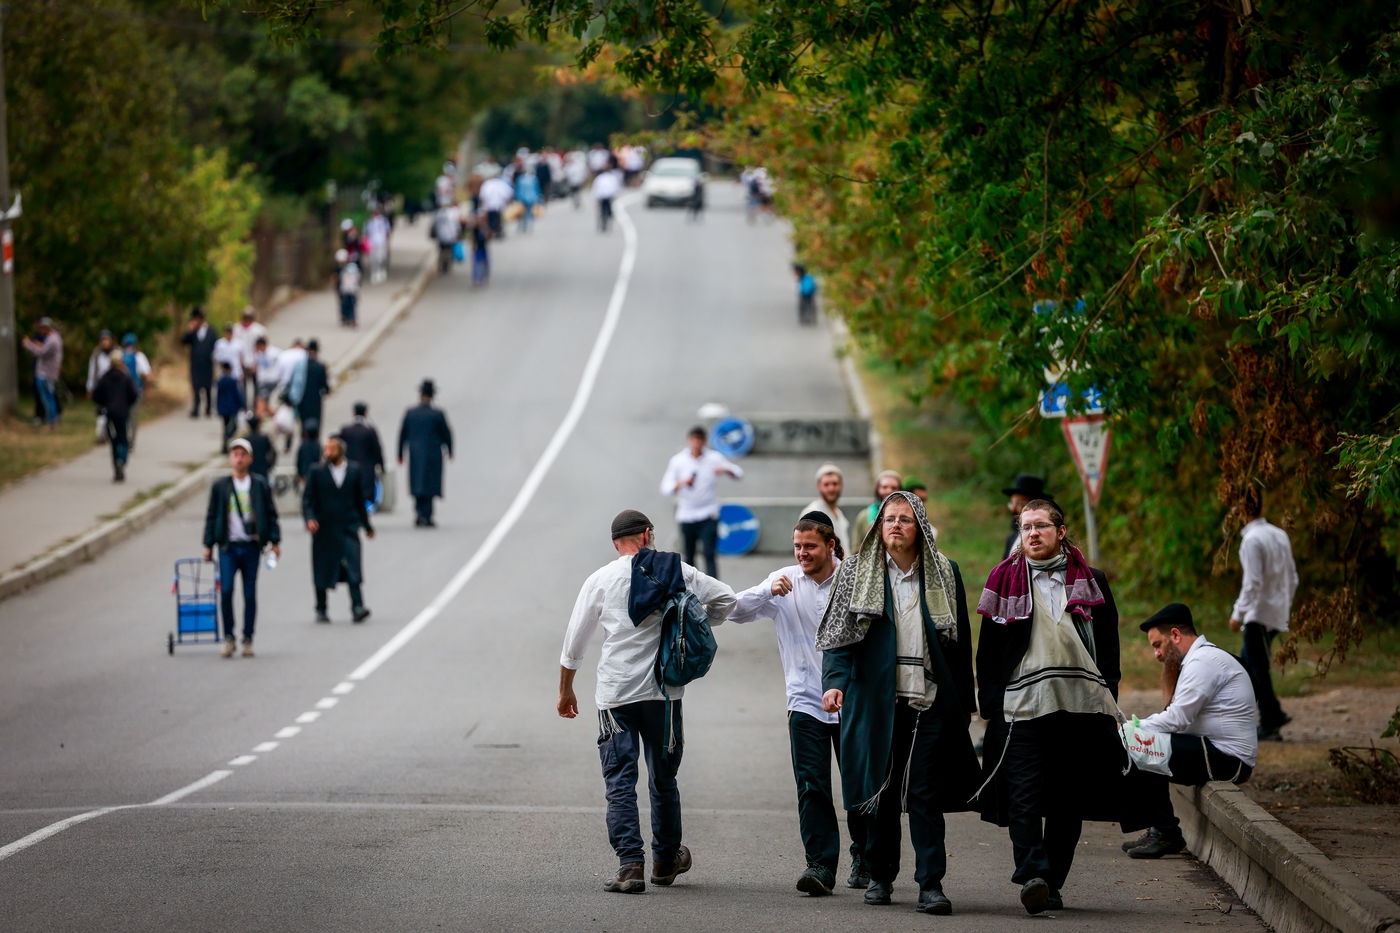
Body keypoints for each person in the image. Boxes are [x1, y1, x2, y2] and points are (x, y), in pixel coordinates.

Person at [815, 491, 980, 915]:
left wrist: (965, 703)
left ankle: (931, 884)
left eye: (905, 519)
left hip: (929, 702)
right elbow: (838, 640)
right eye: (889, 518)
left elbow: (960, 644)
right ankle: (881, 876)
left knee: (924, 794)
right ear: (878, 525)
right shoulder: (856, 571)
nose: (896, 526)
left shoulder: (944, 572)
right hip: (876, 703)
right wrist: (834, 684)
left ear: (920, 527)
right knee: (882, 792)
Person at [558, 509, 736, 894]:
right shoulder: (677, 571)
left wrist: (565, 690)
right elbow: (726, 599)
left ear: (615, 543)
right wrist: (695, 619)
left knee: (620, 782)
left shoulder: (601, 579)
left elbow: (574, 642)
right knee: (663, 779)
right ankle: (665, 860)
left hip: (616, 696)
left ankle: (630, 867)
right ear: (648, 534)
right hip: (664, 694)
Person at [974, 498, 1134, 915]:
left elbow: (1110, 646)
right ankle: (1032, 875)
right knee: (1023, 796)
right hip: (1024, 707)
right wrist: (990, 705)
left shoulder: (1091, 580)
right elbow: (988, 651)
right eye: (1026, 528)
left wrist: (1109, 695)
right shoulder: (1003, 579)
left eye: (1041, 526)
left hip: (1079, 707)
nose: (1033, 534)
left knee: (1067, 800)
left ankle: (1053, 884)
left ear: (1060, 531)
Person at [730, 512, 868, 896]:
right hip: (805, 701)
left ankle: (866, 856)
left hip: (853, 702)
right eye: (797, 547)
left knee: (860, 786)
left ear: (830, 545)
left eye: (810, 546)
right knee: (812, 787)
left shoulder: (854, 580)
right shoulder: (785, 581)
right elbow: (732, 611)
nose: (802, 553)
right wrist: (766, 591)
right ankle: (820, 865)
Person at [1121, 603, 1258, 859]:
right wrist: (1133, 729)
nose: (1157, 654)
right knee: (1141, 744)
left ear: (1175, 635)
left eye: (1157, 645)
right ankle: (1159, 828)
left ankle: (1166, 833)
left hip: (1229, 760)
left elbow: (1177, 719)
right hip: (1213, 750)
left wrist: (1129, 728)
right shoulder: (1197, 659)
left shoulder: (1203, 662)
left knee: (1138, 745)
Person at [1229, 488, 1298, 741]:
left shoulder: (1252, 540)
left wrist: (1238, 613)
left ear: (1241, 510)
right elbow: (1292, 577)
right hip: (1276, 612)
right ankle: (1268, 716)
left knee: (1255, 668)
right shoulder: (1279, 534)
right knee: (1249, 665)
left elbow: (1253, 582)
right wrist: (1284, 608)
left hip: (1257, 614)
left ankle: (1271, 718)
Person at [203, 438, 281, 658]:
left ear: (250, 459)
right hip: (228, 547)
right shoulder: (221, 486)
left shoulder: (259, 485)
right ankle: (229, 638)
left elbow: (271, 514)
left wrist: (275, 541)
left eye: (242, 454)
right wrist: (208, 544)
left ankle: (247, 638)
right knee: (226, 591)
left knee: (249, 593)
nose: (238, 458)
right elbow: (212, 516)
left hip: (251, 547)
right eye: (235, 454)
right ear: (230, 458)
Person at [302, 434, 373, 624]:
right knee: (322, 568)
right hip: (324, 529)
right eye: (326, 449)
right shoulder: (317, 471)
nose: (327, 452)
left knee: (353, 566)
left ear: (341, 451)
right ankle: (321, 607)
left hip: (348, 527)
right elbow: (308, 499)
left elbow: (360, 502)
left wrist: (367, 526)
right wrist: (310, 518)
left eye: (331, 449)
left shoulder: (354, 471)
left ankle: (357, 606)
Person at [658, 426, 743, 578]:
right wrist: (681, 483)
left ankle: (715, 590)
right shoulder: (678, 461)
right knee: (689, 556)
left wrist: (725, 470)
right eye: (694, 440)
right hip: (687, 514)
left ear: (704, 441)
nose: (696, 444)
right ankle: (691, 591)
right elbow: (665, 487)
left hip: (708, 513)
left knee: (709, 554)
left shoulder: (713, 458)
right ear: (689, 441)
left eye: (700, 440)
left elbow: (737, 473)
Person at [397, 379, 454, 528]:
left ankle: (419, 513)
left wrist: (400, 454)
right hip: (434, 453)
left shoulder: (411, 413)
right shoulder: (437, 414)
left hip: (415, 453)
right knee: (430, 484)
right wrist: (450, 449)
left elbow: (402, 434)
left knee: (417, 483)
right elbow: (446, 433)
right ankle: (427, 515)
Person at [91, 352, 139, 482]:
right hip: (123, 413)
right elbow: (134, 395)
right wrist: (127, 405)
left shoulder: (105, 378)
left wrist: (104, 403)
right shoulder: (126, 377)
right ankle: (121, 460)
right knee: (123, 439)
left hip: (109, 413)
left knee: (113, 441)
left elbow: (96, 395)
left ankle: (116, 463)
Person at [340, 401, 386, 508]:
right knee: (365, 494)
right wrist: (381, 466)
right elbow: (377, 450)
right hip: (367, 468)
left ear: (353, 413)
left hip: (349, 467)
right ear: (366, 413)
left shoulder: (346, 430)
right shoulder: (370, 431)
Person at [21, 317, 63, 429]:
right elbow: (45, 350)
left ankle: (52, 422)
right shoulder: (54, 337)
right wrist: (38, 345)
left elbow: (41, 353)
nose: (40, 331)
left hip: (46, 373)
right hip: (48, 373)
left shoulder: (52, 339)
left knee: (48, 398)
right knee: (49, 397)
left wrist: (28, 344)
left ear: (46, 327)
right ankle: (53, 421)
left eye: (41, 328)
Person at [801, 463, 850, 554]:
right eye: (826, 484)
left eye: (835, 484)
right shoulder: (812, 512)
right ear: (819, 486)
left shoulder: (839, 513)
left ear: (841, 485)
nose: (831, 488)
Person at [1000, 474, 1051, 559]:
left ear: (1036, 506)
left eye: (1019, 504)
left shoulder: (1045, 541)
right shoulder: (1012, 538)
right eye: (1012, 504)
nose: (1013, 509)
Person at [849, 470, 902, 552]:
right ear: (877, 489)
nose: (889, 491)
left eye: (893, 488)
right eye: (884, 487)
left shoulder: (906, 517)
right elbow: (854, 549)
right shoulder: (864, 516)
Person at [118, 333, 152, 450]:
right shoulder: (139, 356)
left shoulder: (119, 356)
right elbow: (147, 375)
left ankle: (122, 440)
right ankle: (131, 442)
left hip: (121, 393)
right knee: (133, 418)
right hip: (135, 392)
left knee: (123, 417)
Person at [181, 307, 218, 418]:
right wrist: (190, 330)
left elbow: (215, 346)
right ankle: (196, 408)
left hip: (207, 363)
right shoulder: (193, 332)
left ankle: (208, 408)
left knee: (207, 387)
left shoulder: (211, 331)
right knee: (196, 386)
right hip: (196, 363)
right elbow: (183, 341)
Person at [233, 308, 268, 402]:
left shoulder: (259, 330)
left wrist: (256, 362)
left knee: (256, 386)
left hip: (255, 362)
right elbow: (235, 348)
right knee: (242, 387)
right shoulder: (236, 329)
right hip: (242, 362)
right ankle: (244, 407)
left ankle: (255, 406)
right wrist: (240, 362)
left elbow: (261, 348)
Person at [295, 339, 329, 430]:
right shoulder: (320, 366)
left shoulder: (301, 366)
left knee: (303, 425)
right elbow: (325, 387)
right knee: (316, 425)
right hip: (315, 400)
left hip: (302, 399)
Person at [215, 362, 246, 454]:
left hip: (223, 408)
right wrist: (243, 405)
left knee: (225, 427)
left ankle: (225, 445)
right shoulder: (233, 381)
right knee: (233, 427)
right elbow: (237, 395)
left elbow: (217, 396)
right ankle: (226, 441)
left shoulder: (220, 381)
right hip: (232, 408)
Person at [593, 157, 624, 233]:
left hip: (608, 196)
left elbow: (615, 187)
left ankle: (606, 223)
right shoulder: (601, 178)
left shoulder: (611, 177)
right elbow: (596, 188)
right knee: (603, 212)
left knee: (608, 211)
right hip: (603, 197)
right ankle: (603, 224)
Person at [478, 174, 513, 241]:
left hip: (490, 204)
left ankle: (493, 231)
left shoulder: (487, 184)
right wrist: (506, 200)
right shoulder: (501, 184)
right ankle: (497, 231)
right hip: (498, 204)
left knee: (492, 219)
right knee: (498, 218)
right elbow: (508, 192)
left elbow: (483, 195)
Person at [244, 415, 277, 483]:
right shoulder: (264, 438)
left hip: (249, 470)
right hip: (263, 469)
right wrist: (270, 465)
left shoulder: (245, 440)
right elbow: (273, 453)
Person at [336, 249, 362, 327]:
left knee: (352, 304)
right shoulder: (339, 268)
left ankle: (352, 318)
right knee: (345, 304)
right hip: (344, 290)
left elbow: (357, 277)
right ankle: (346, 318)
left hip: (352, 289)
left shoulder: (352, 267)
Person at [365, 206, 391, 284]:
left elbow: (387, 232)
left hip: (381, 242)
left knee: (381, 257)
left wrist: (388, 243)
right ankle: (374, 273)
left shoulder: (383, 221)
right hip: (372, 242)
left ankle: (381, 271)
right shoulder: (370, 221)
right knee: (373, 259)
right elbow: (366, 232)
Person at [295, 420, 322, 487]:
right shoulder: (318, 446)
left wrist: (300, 474)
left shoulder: (303, 446)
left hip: (305, 474)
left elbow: (299, 460)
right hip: (316, 475)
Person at [515, 169, 540, 234]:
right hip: (531, 198)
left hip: (523, 198)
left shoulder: (520, 179)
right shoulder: (533, 179)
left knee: (523, 213)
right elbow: (537, 189)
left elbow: (518, 189)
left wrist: (517, 198)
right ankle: (529, 226)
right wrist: (537, 197)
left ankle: (525, 226)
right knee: (529, 212)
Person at [470, 211, 491, 287]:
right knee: (477, 265)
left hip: (483, 248)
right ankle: (477, 279)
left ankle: (484, 277)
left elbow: (489, 237)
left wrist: (486, 231)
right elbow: (472, 238)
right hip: (477, 248)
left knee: (485, 264)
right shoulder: (475, 228)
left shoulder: (485, 227)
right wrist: (472, 247)